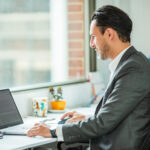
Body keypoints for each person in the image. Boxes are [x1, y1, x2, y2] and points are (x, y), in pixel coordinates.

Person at [27, 5, 150, 150]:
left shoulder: (133, 68)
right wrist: (86, 120)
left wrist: (53, 131)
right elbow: (113, 116)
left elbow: (102, 123)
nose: (91, 44)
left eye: (93, 37)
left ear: (109, 34)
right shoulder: (129, 63)